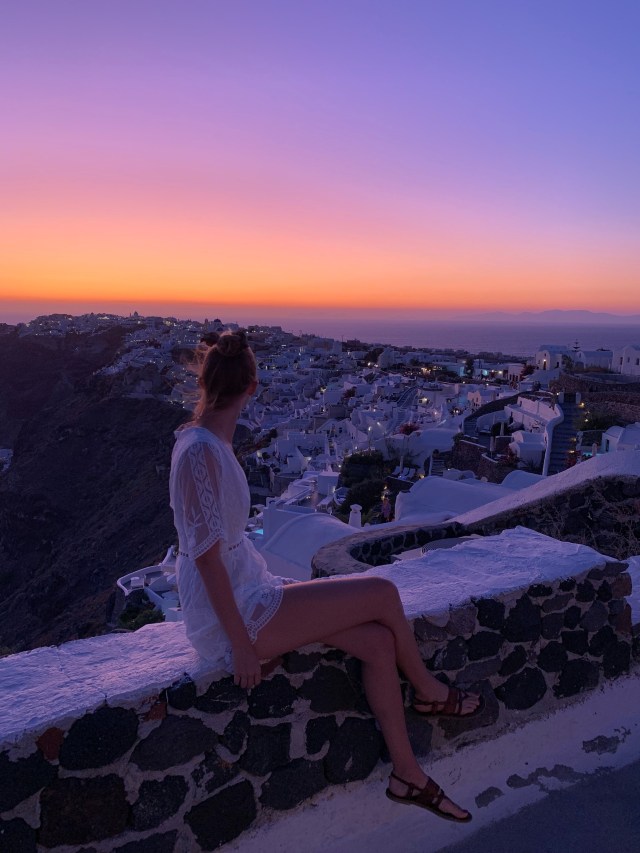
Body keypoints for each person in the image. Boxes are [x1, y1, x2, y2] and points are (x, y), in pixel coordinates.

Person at [169, 330, 482, 823]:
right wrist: (242, 646)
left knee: (378, 644)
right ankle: (429, 691)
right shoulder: (200, 451)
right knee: (382, 592)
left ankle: (406, 775)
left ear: (206, 382)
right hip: (230, 614)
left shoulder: (209, 442)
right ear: (253, 387)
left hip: (248, 589)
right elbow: (207, 557)